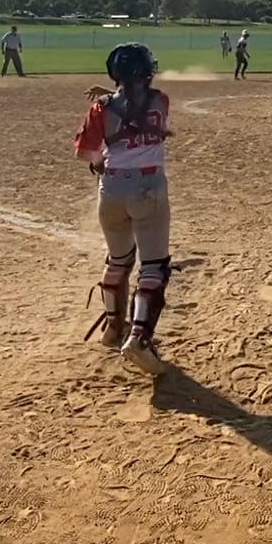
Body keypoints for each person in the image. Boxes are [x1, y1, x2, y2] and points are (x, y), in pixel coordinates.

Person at [74, 43, 174, 375]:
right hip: (148, 187)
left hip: (112, 190)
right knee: (154, 266)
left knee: (118, 260)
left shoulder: (100, 109)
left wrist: (100, 163)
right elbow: (138, 105)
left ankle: (113, 327)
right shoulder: (160, 101)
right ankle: (139, 339)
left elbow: (86, 153)